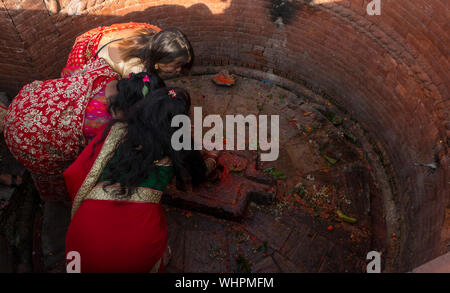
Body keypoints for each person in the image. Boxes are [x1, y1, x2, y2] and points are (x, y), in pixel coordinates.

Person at [64, 85, 216, 272]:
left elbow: (73, 173)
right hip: (137, 248)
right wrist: (212, 159)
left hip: (80, 238)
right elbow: (198, 171)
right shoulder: (175, 150)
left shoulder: (115, 131)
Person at [3, 61, 165, 202]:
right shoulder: (104, 126)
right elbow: (93, 160)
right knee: (61, 174)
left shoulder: (105, 73)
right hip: (25, 137)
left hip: (31, 99)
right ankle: (59, 200)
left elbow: (68, 71)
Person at [62, 22, 193, 80]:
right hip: (86, 58)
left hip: (98, 40)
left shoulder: (154, 35)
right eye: (177, 66)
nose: (179, 70)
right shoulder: (136, 72)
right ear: (159, 60)